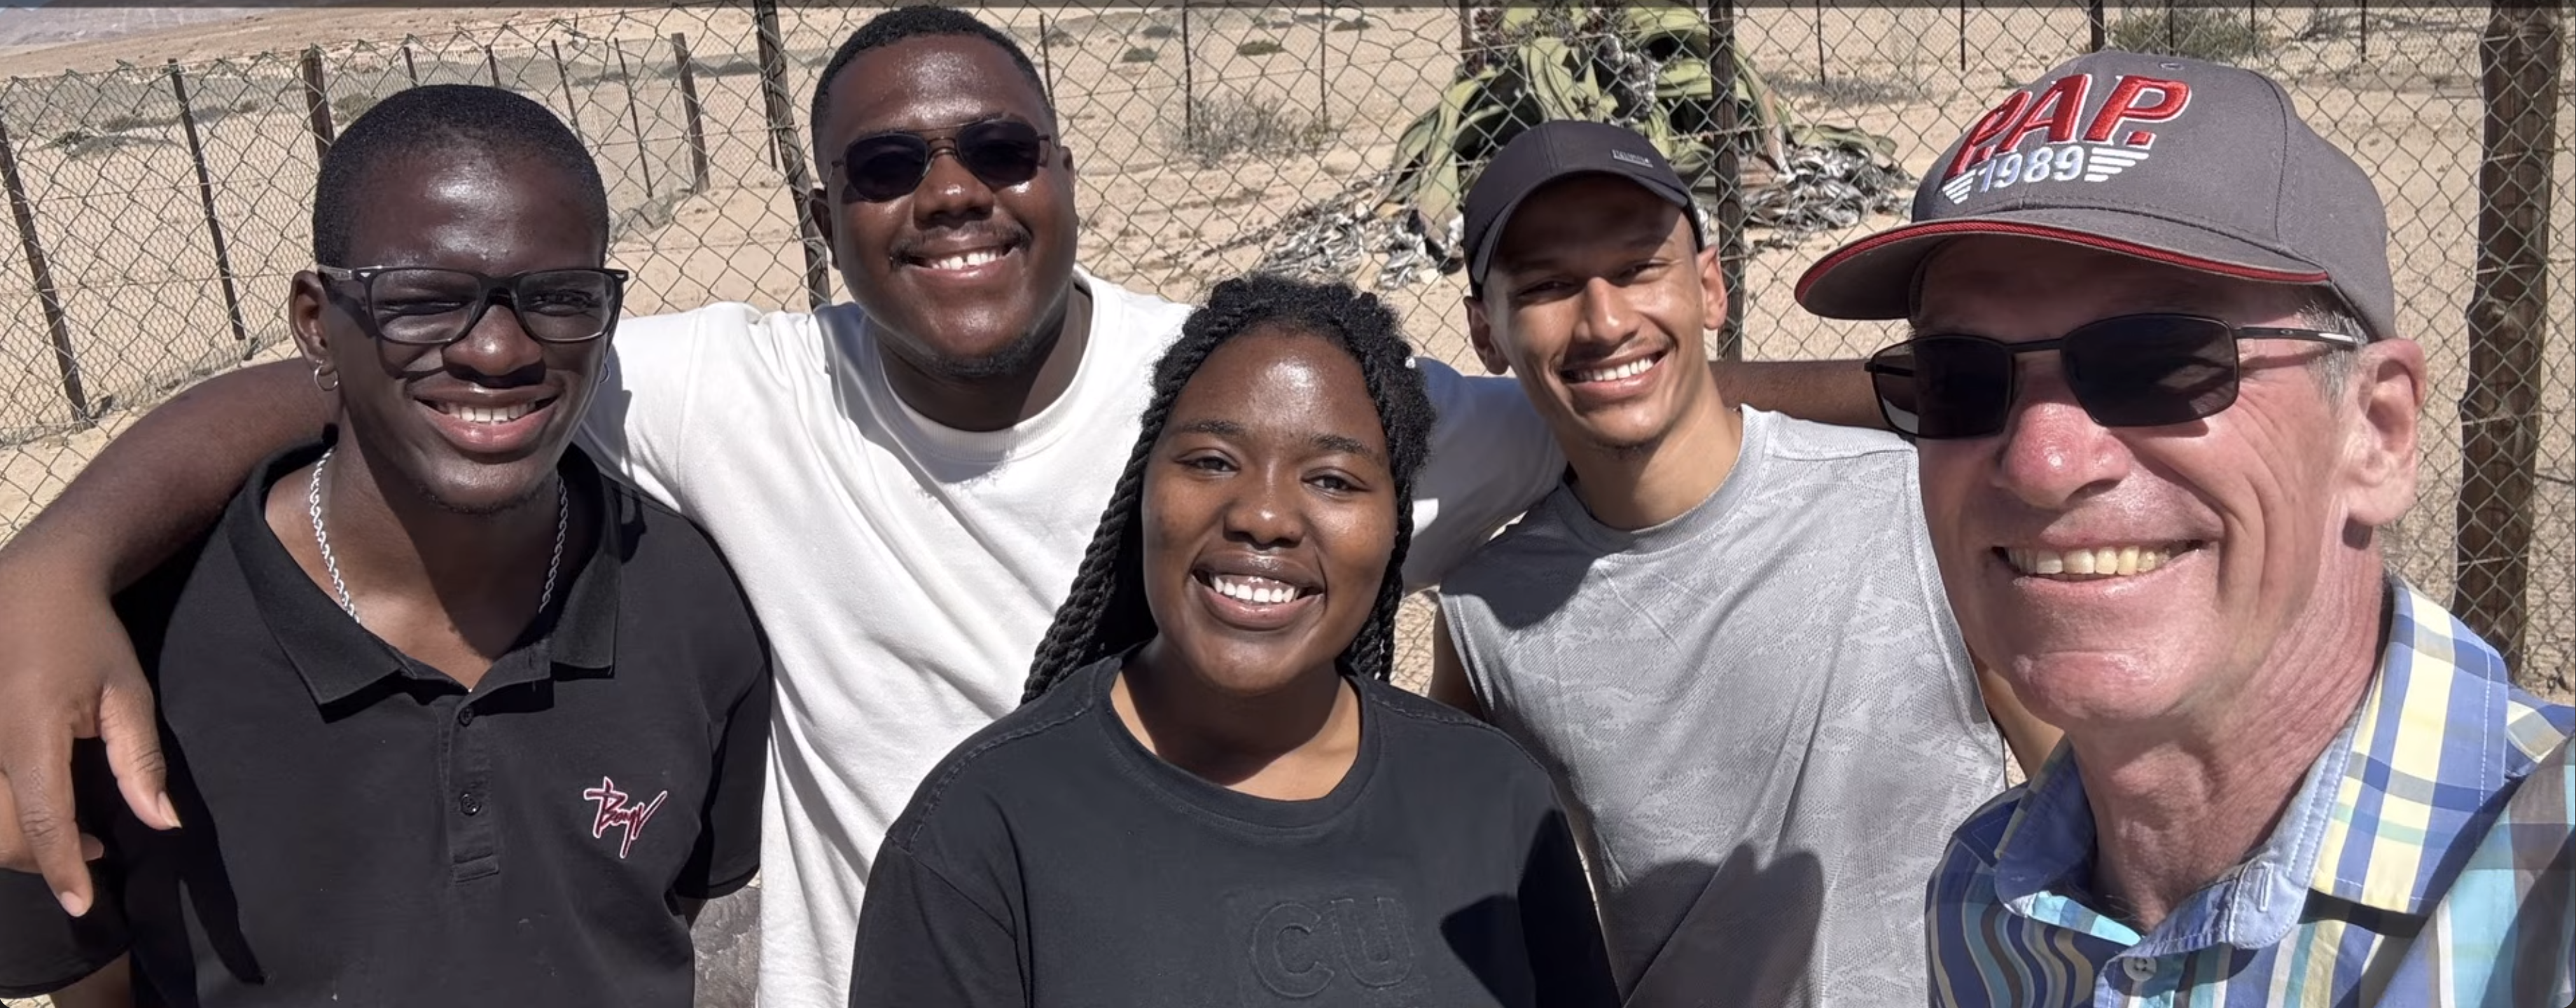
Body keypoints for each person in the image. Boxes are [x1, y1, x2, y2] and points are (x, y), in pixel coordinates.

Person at [0, 9, 1878, 1004]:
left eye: (995, 146)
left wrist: (1945, 391)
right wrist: (55, 558)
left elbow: (1600, 395)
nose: (949, 189)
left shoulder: (1241, 395)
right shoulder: (727, 386)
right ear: (825, 217)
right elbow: (409, 367)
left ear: (1061, 177)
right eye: (886, 163)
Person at [1793, 50, 2576, 1004]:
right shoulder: (1984, 904)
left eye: (2158, 360)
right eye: (1958, 376)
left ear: (2374, 432)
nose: (2041, 461)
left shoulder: (2547, 875)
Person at [0, 85, 773, 1007]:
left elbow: (650, 916)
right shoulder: (121, 653)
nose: (497, 350)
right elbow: (95, 986)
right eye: (424, 299)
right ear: (315, 322)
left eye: (559, 296)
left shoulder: (685, 601)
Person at [847, 275, 1620, 1007]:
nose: (1263, 515)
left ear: (1394, 527)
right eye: (1212, 462)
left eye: (1332, 478)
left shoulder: (1491, 796)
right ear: (1142, 492)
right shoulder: (982, 832)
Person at [1426, 118, 2056, 1007]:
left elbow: (2086, 812)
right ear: (1484, 332)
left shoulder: (1908, 505)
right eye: (1547, 285)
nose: (1605, 320)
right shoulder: (1486, 613)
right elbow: (1459, 891)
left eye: (1639, 268)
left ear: (1709, 287)